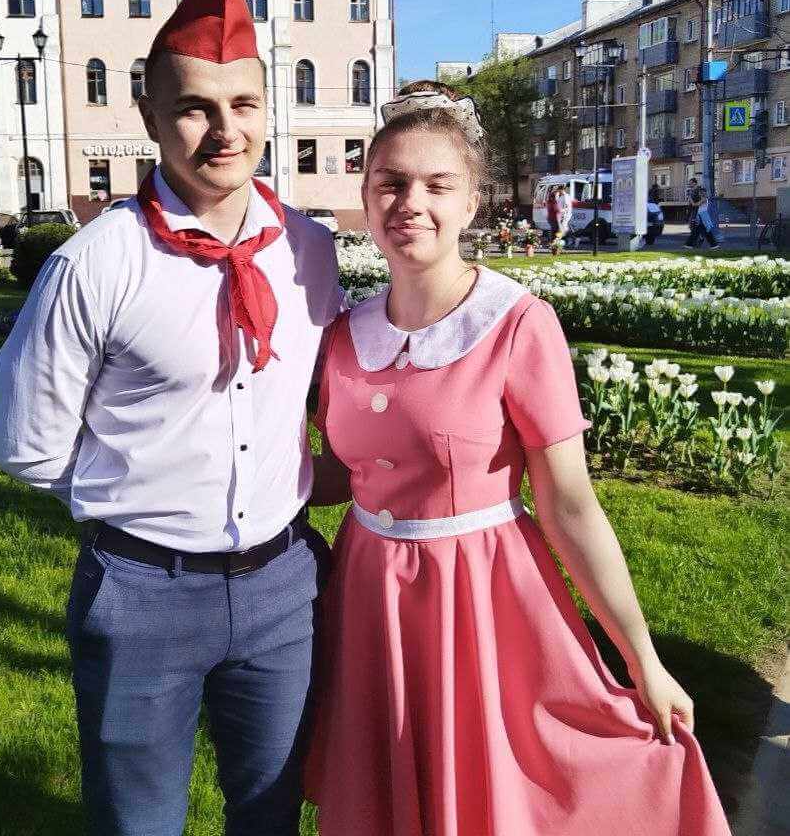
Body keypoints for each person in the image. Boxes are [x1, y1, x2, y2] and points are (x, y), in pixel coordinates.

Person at [304, 83, 731, 836]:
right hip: (369, 594)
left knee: (490, 789)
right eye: (390, 184)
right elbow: (349, 474)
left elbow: (569, 505)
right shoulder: (343, 334)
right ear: (366, 198)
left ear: (473, 201)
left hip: (482, 597)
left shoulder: (516, 324)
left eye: (438, 185)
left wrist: (643, 659)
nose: (411, 203)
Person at [0, 0, 341, 836]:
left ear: (268, 110)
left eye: (243, 104)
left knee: (270, 814)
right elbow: (29, 445)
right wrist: (140, 507)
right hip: (143, 589)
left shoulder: (308, 249)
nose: (225, 130)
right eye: (194, 107)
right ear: (149, 114)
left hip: (283, 586)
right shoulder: (95, 263)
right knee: (138, 822)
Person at [685, 184, 718, 249]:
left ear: (704, 193)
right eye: (700, 192)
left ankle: (689, 244)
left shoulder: (704, 199)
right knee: (700, 231)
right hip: (701, 216)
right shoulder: (702, 199)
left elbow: (694, 204)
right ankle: (713, 245)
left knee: (702, 231)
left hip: (703, 216)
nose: (701, 194)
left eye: (702, 192)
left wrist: (690, 198)